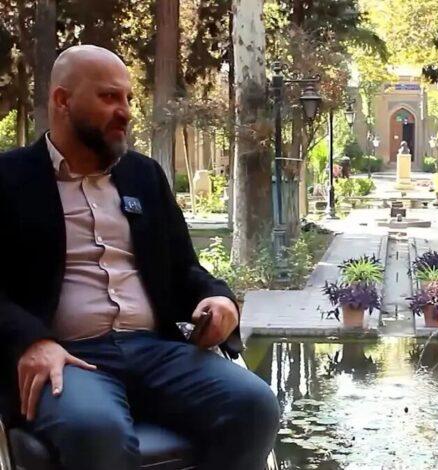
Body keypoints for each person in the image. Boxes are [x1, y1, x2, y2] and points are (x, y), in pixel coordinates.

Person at [0, 45, 280, 470]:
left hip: (156, 351)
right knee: (97, 431)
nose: (126, 112)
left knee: (255, 405)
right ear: (62, 100)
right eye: (109, 97)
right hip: (69, 357)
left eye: (128, 98)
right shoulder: (9, 178)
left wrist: (218, 299)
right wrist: (32, 341)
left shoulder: (143, 175)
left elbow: (184, 268)